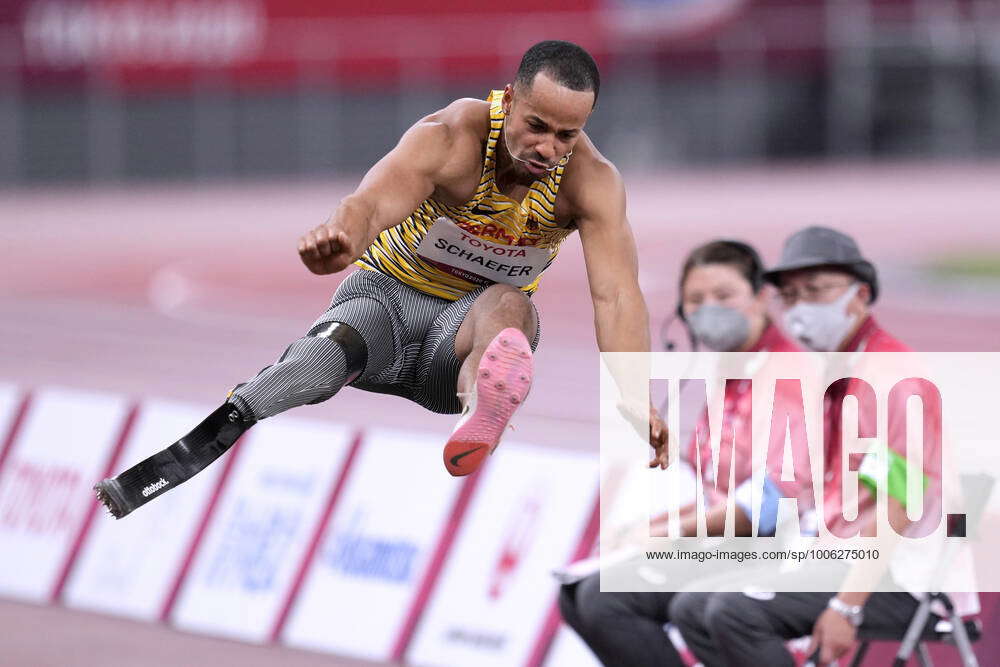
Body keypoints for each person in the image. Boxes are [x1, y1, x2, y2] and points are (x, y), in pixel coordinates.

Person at [93, 40, 667, 519]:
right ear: (509, 100)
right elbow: (368, 204)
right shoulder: (450, 137)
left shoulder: (593, 182)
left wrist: (635, 396)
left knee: (509, 307)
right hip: (386, 302)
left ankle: (482, 410)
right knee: (321, 363)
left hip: (459, 338)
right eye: (536, 126)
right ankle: (207, 437)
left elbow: (616, 292)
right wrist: (337, 241)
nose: (548, 149)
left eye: (566, 136)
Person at [670, 226, 968, 667]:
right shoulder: (838, 370)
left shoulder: (890, 376)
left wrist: (846, 605)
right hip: (833, 554)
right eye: (789, 296)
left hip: (897, 576)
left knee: (733, 612)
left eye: (816, 291)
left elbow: (900, 500)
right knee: (691, 607)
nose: (800, 308)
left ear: (860, 295)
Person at [557, 239, 800, 667]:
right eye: (696, 300)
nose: (709, 309)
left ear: (762, 297)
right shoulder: (728, 373)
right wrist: (651, 526)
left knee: (605, 599)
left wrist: (668, 535)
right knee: (577, 593)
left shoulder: (787, 374)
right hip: (727, 541)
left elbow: (771, 501)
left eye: (724, 296)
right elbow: (717, 493)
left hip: (775, 547)